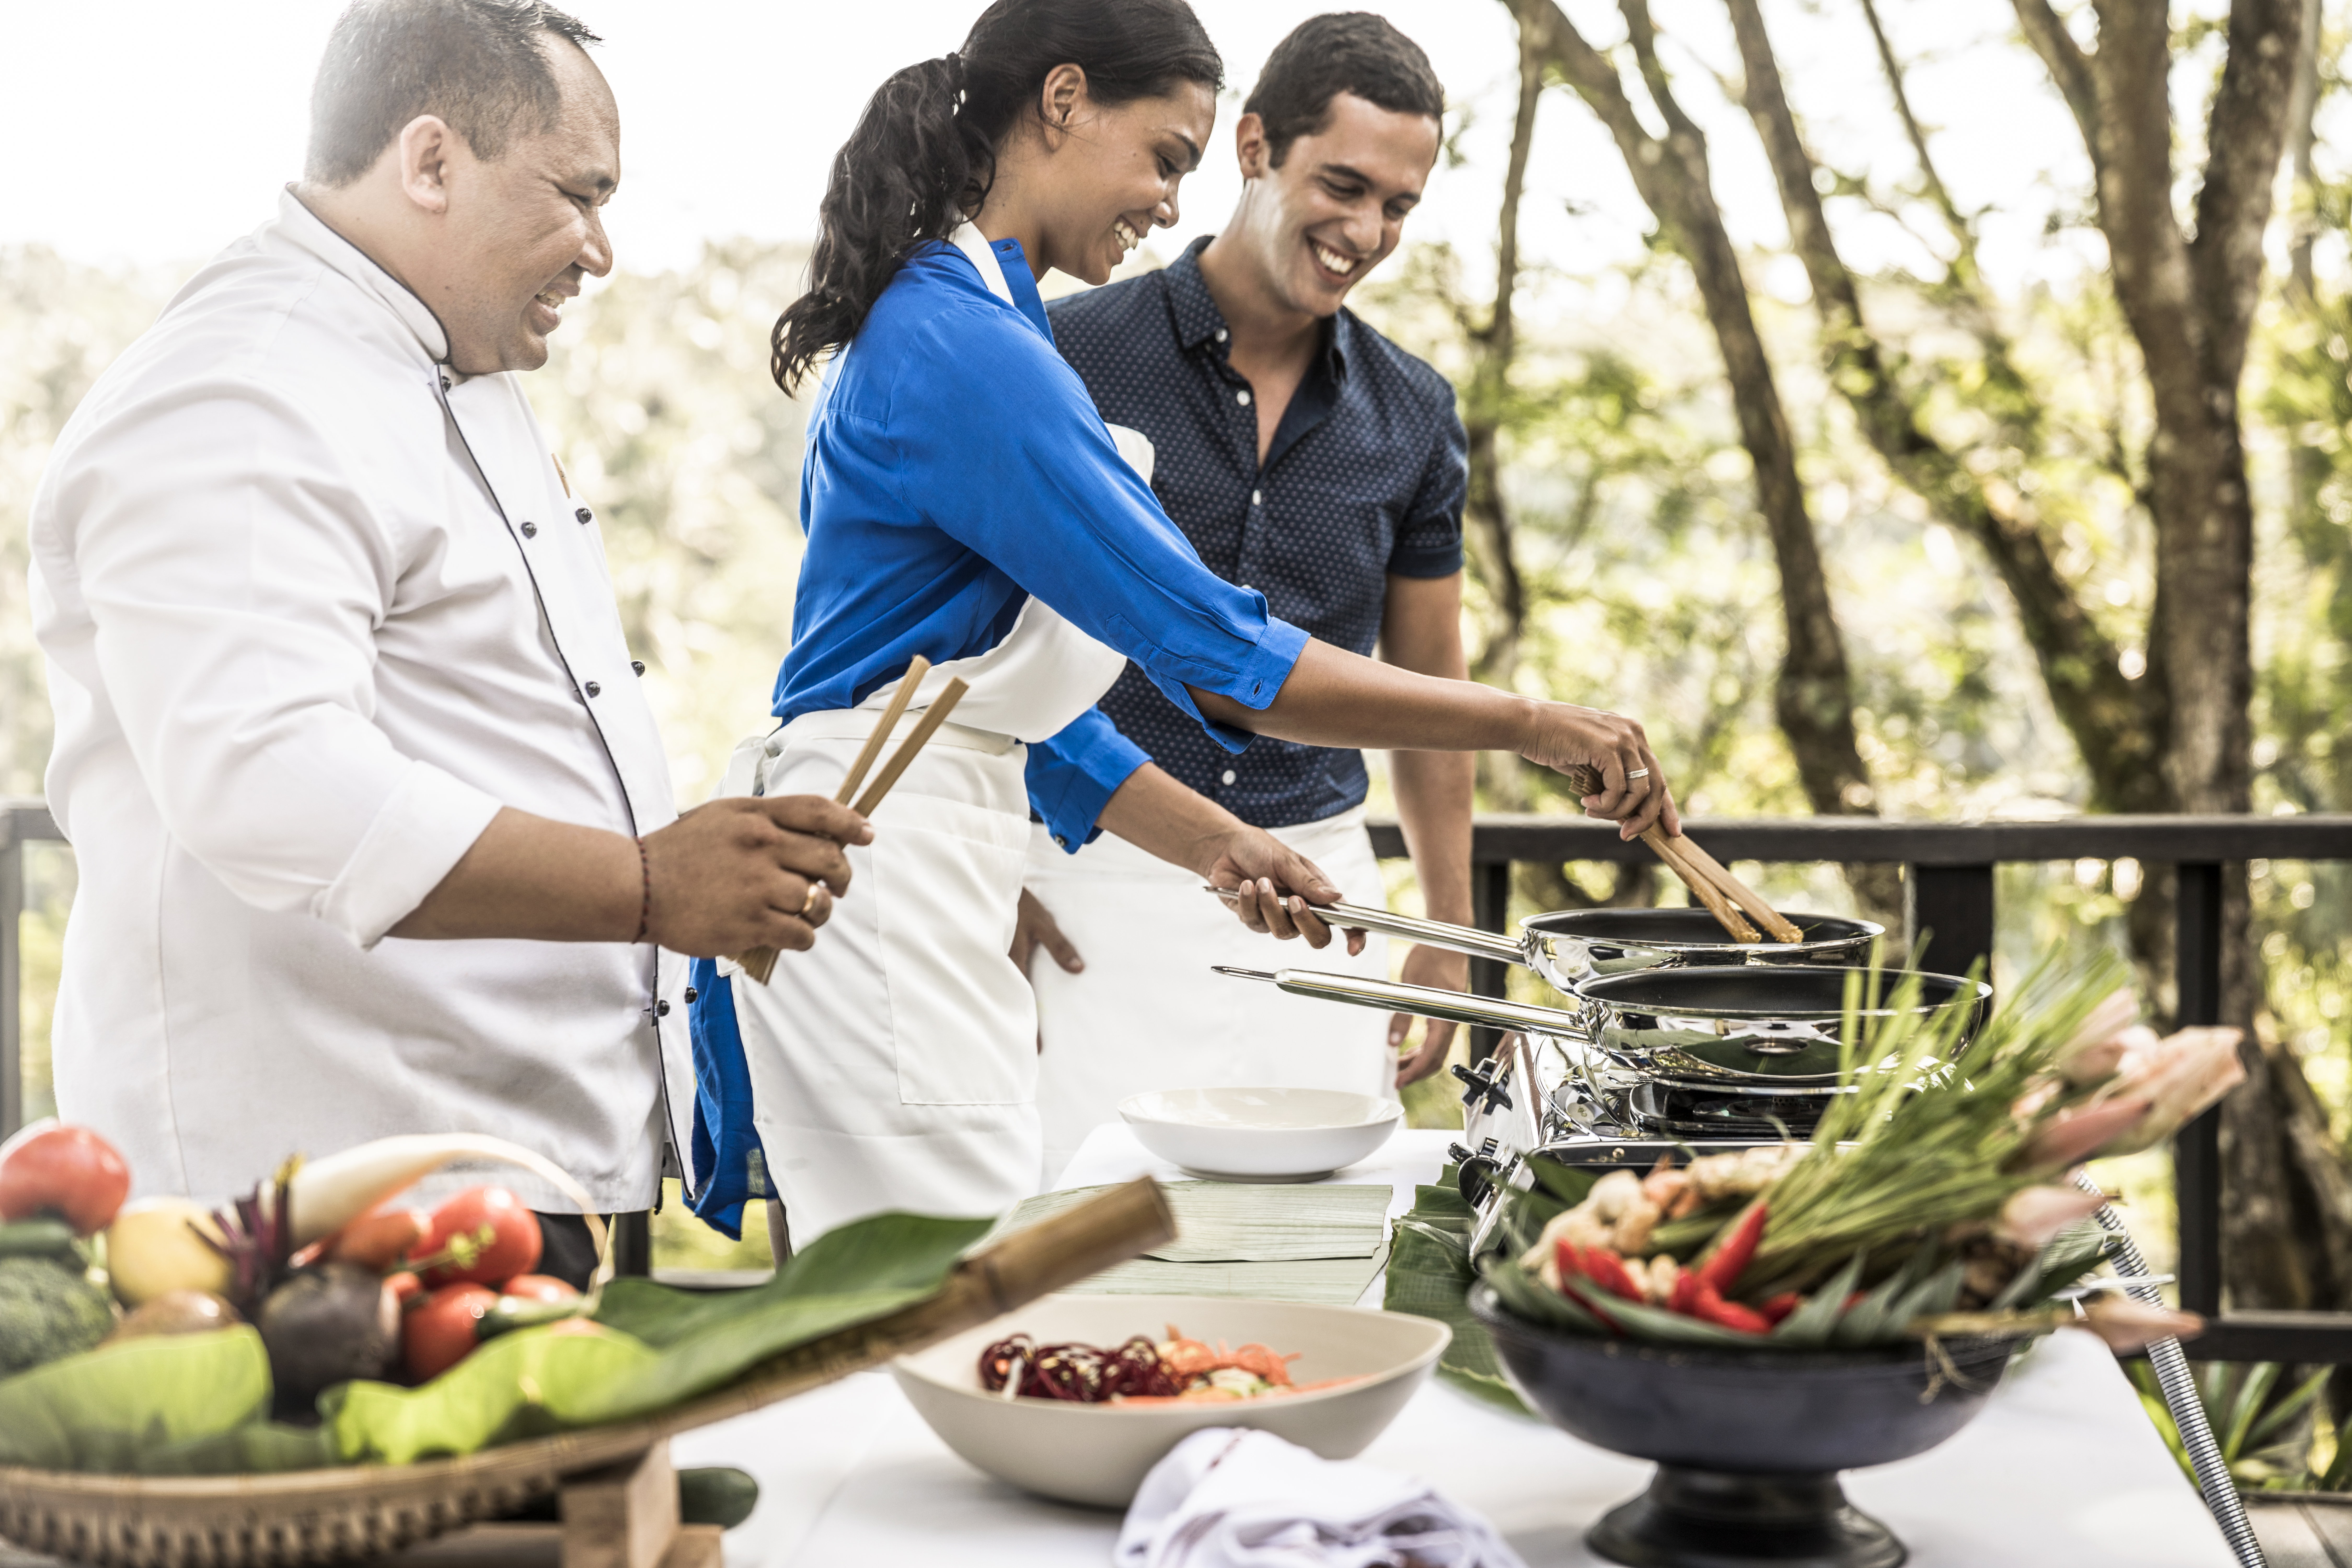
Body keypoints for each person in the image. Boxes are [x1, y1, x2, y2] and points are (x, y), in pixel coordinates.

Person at [688, 0, 1678, 1253]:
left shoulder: (969, 321)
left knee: (983, 1288)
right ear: (1062, 103)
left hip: (920, 843)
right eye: (1164, 156)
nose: (1168, 202)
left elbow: (984, 697)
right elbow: (1221, 653)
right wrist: (1535, 724)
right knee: (942, 1304)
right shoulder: (976, 347)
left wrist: (1216, 838)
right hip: (888, 863)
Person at [30, 0, 861, 1285]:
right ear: (430, 163)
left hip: (488, 1178)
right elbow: (267, 783)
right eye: (580, 194)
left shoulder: (431, 363)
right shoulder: (245, 389)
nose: (601, 249)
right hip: (317, 1209)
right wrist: (649, 885)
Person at [1021, 14, 1471, 1181]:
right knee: (1087, 1247)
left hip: (1323, 893)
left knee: (1317, 1251)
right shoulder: (1059, 352)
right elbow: (971, 642)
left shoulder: (1416, 413)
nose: (1368, 232)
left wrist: (1449, 936)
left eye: (1401, 207)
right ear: (1257, 146)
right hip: (1089, 879)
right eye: (1346, 185)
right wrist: (990, 883)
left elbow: (1430, 695)